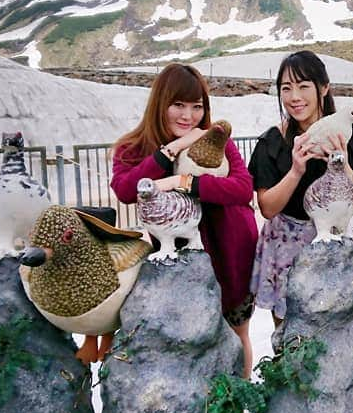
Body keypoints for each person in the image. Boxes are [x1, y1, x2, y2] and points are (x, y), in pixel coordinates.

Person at [110, 63, 258, 378]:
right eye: (178, 104)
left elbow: (243, 187)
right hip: (176, 260)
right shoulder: (134, 148)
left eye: (196, 107)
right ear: (160, 103)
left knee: (236, 332)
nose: (188, 116)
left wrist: (184, 183)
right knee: (187, 338)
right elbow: (125, 190)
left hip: (232, 250)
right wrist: (171, 150)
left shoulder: (216, 139)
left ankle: (240, 406)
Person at [247, 50, 353, 323]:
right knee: (289, 334)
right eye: (286, 88)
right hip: (286, 246)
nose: (294, 97)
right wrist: (296, 170)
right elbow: (267, 208)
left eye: (303, 86)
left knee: (335, 327)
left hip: (336, 240)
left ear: (324, 88)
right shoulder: (273, 141)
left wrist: (343, 164)